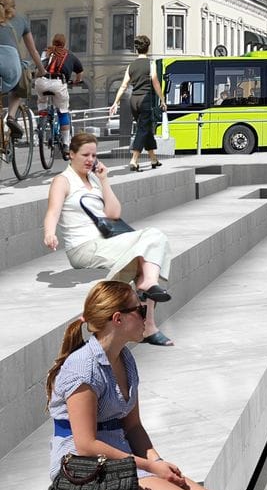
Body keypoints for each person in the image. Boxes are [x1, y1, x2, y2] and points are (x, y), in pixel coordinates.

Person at [47, 280, 227, 490]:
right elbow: (86, 444)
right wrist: (147, 466)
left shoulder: (125, 359)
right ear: (118, 318)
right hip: (83, 468)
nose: (146, 314)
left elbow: (134, 426)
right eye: (140, 309)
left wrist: (157, 459)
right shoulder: (81, 369)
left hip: (124, 458)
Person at [44, 133, 175, 345]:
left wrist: (104, 180)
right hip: (83, 247)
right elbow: (52, 211)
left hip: (105, 241)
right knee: (149, 247)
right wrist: (49, 233)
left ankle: (147, 294)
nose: (90, 159)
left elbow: (114, 213)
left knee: (153, 244)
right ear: (71, 154)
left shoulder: (95, 179)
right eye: (85, 154)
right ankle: (147, 320)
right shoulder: (63, 180)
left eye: (94, 155)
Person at [111, 35, 166, 171]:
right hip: (145, 99)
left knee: (145, 128)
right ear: (148, 48)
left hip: (133, 100)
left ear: (137, 49)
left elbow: (124, 85)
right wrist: (162, 99)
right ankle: (134, 160)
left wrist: (115, 102)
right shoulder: (150, 64)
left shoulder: (131, 65)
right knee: (142, 129)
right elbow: (155, 82)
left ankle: (153, 159)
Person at [32, 33, 84, 152]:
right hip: (58, 83)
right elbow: (80, 72)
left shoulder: (46, 52)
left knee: (41, 99)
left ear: (53, 42)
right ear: (64, 43)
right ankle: (66, 143)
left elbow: (39, 66)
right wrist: (77, 81)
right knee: (63, 112)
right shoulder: (70, 55)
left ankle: (42, 119)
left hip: (42, 82)